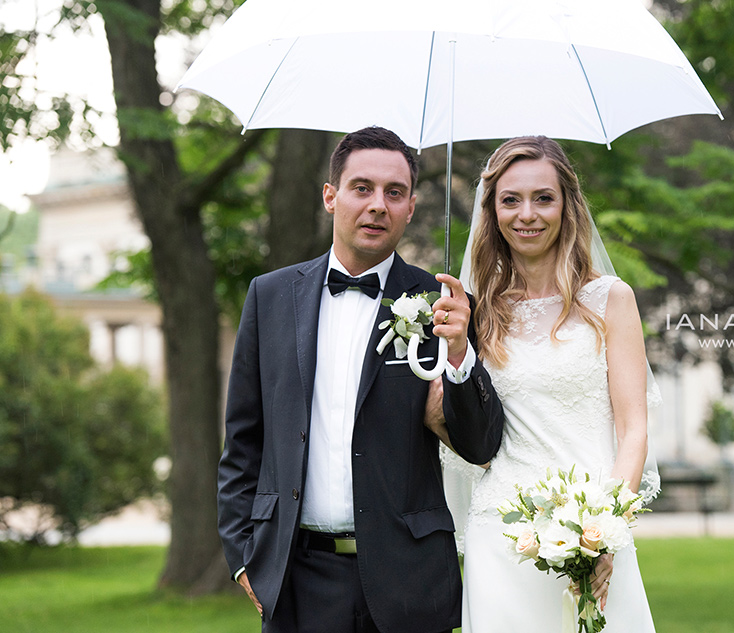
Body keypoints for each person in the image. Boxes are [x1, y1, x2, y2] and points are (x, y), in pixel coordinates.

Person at [218, 126, 505, 633]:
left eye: (394, 193)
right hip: (296, 578)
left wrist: (459, 353)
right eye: (362, 188)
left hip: (408, 580)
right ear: (331, 196)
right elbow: (244, 440)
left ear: (412, 207)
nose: (378, 205)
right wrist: (245, 557)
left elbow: (479, 444)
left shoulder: (443, 305)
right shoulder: (270, 296)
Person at [429, 136, 662, 632]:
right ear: (491, 211)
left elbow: (634, 430)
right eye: (510, 200)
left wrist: (605, 533)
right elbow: (464, 431)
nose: (526, 214)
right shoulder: (477, 311)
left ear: (567, 205)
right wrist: (454, 353)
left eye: (543, 198)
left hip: (592, 531)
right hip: (503, 533)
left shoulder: (610, 300)